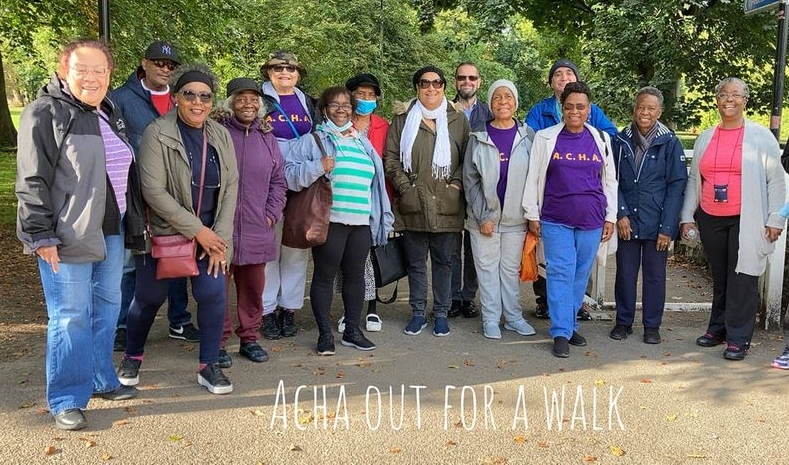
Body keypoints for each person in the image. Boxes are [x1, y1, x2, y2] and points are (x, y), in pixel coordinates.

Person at [16, 39, 139, 430]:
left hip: (112, 230)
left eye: (99, 70)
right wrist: (40, 235)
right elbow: (31, 180)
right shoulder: (45, 112)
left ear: (109, 75)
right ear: (64, 71)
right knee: (70, 317)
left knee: (105, 309)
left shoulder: (109, 111)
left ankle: (101, 379)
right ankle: (66, 397)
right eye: (81, 69)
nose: (91, 77)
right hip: (66, 235)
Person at [117, 64, 239, 394]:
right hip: (164, 233)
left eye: (205, 96)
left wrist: (220, 237)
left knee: (213, 294)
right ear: (176, 98)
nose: (197, 102)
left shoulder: (221, 135)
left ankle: (208, 365)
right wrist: (197, 230)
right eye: (189, 94)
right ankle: (132, 356)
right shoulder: (158, 133)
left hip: (210, 236)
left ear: (212, 102)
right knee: (148, 299)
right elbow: (153, 191)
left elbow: (231, 186)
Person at [680, 77, 786, 361]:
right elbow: (694, 179)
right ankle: (718, 329)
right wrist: (687, 216)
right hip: (711, 217)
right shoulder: (706, 136)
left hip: (746, 217)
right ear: (717, 99)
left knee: (743, 277)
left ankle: (738, 338)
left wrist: (776, 218)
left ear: (745, 101)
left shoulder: (760, 136)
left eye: (736, 95)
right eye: (724, 94)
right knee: (721, 277)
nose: (729, 99)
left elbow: (776, 181)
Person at [286, 86, 393, 355]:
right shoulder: (315, 140)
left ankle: (352, 331)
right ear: (324, 110)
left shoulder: (361, 142)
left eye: (346, 104)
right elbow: (287, 173)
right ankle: (324, 335)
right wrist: (318, 166)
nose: (342, 108)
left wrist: (383, 221)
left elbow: (376, 186)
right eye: (335, 104)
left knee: (355, 277)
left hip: (360, 223)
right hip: (330, 221)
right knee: (324, 276)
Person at [111, 41, 199, 351]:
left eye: (171, 65)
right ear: (144, 62)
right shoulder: (119, 99)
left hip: (175, 195)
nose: (165, 68)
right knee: (130, 264)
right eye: (159, 62)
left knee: (178, 256)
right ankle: (123, 325)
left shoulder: (182, 100)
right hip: (133, 194)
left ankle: (179, 320)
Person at [523, 81, 617, 358]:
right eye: (569, 106)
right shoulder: (546, 138)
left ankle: (571, 323)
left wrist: (610, 216)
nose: (575, 111)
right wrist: (532, 212)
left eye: (581, 106)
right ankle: (561, 331)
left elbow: (609, 180)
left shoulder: (601, 139)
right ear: (562, 108)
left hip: (592, 218)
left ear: (589, 109)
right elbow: (534, 177)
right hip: (555, 218)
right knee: (560, 272)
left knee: (580, 274)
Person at [384, 65, 470, 337]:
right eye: (424, 83)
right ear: (417, 88)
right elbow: (391, 158)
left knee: (445, 262)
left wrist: (455, 185)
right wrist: (405, 188)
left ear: (444, 87)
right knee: (416, 263)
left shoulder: (458, 119)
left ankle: (442, 312)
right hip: (414, 203)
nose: (431, 88)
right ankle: (418, 312)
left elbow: (468, 159)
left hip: (448, 204)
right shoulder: (402, 118)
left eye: (436, 82)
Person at [213, 78, 287, 367]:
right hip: (221, 228)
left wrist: (271, 213)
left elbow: (278, 180)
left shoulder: (267, 137)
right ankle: (217, 341)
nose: (248, 104)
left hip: (258, 226)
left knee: (254, 288)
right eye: (241, 98)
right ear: (229, 102)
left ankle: (250, 339)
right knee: (216, 287)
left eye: (253, 99)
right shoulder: (216, 133)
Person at [610, 86, 688, 344]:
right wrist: (620, 214)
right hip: (627, 221)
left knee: (655, 276)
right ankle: (623, 322)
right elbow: (612, 180)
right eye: (641, 107)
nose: (645, 112)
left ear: (660, 112)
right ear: (634, 109)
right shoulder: (619, 140)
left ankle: (652, 326)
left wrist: (668, 227)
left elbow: (677, 186)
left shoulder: (670, 141)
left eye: (651, 108)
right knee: (625, 273)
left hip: (658, 222)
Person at [463, 79, 536, 339]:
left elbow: (536, 179)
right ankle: (491, 318)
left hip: (517, 220)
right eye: (497, 97)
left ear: (515, 103)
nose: (503, 102)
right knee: (486, 268)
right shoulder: (478, 136)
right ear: (490, 103)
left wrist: (532, 215)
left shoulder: (528, 137)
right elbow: (470, 180)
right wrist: (483, 215)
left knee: (509, 270)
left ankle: (513, 317)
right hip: (485, 219)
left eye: (508, 97)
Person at [260, 50, 321, 340]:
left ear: (299, 73)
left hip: (301, 178)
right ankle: (267, 310)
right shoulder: (258, 97)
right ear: (268, 71)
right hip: (266, 179)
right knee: (269, 244)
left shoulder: (306, 100)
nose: (285, 72)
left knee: (297, 243)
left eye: (291, 68)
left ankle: (289, 307)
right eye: (278, 67)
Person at [335, 73, 390, 334]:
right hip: (345, 200)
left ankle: (372, 309)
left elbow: (389, 164)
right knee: (349, 261)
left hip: (374, 202)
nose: (366, 99)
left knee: (371, 258)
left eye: (371, 95)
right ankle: (349, 312)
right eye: (361, 94)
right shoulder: (340, 124)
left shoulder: (384, 126)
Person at [449, 62, 491, 319]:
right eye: (462, 77)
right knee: (451, 247)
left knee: (475, 247)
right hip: (450, 186)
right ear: (455, 81)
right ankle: (452, 296)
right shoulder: (443, 110)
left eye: (472, 77)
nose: (467, 81)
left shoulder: (489, 114)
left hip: (480, 188)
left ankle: (468, 297)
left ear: (479, 82)